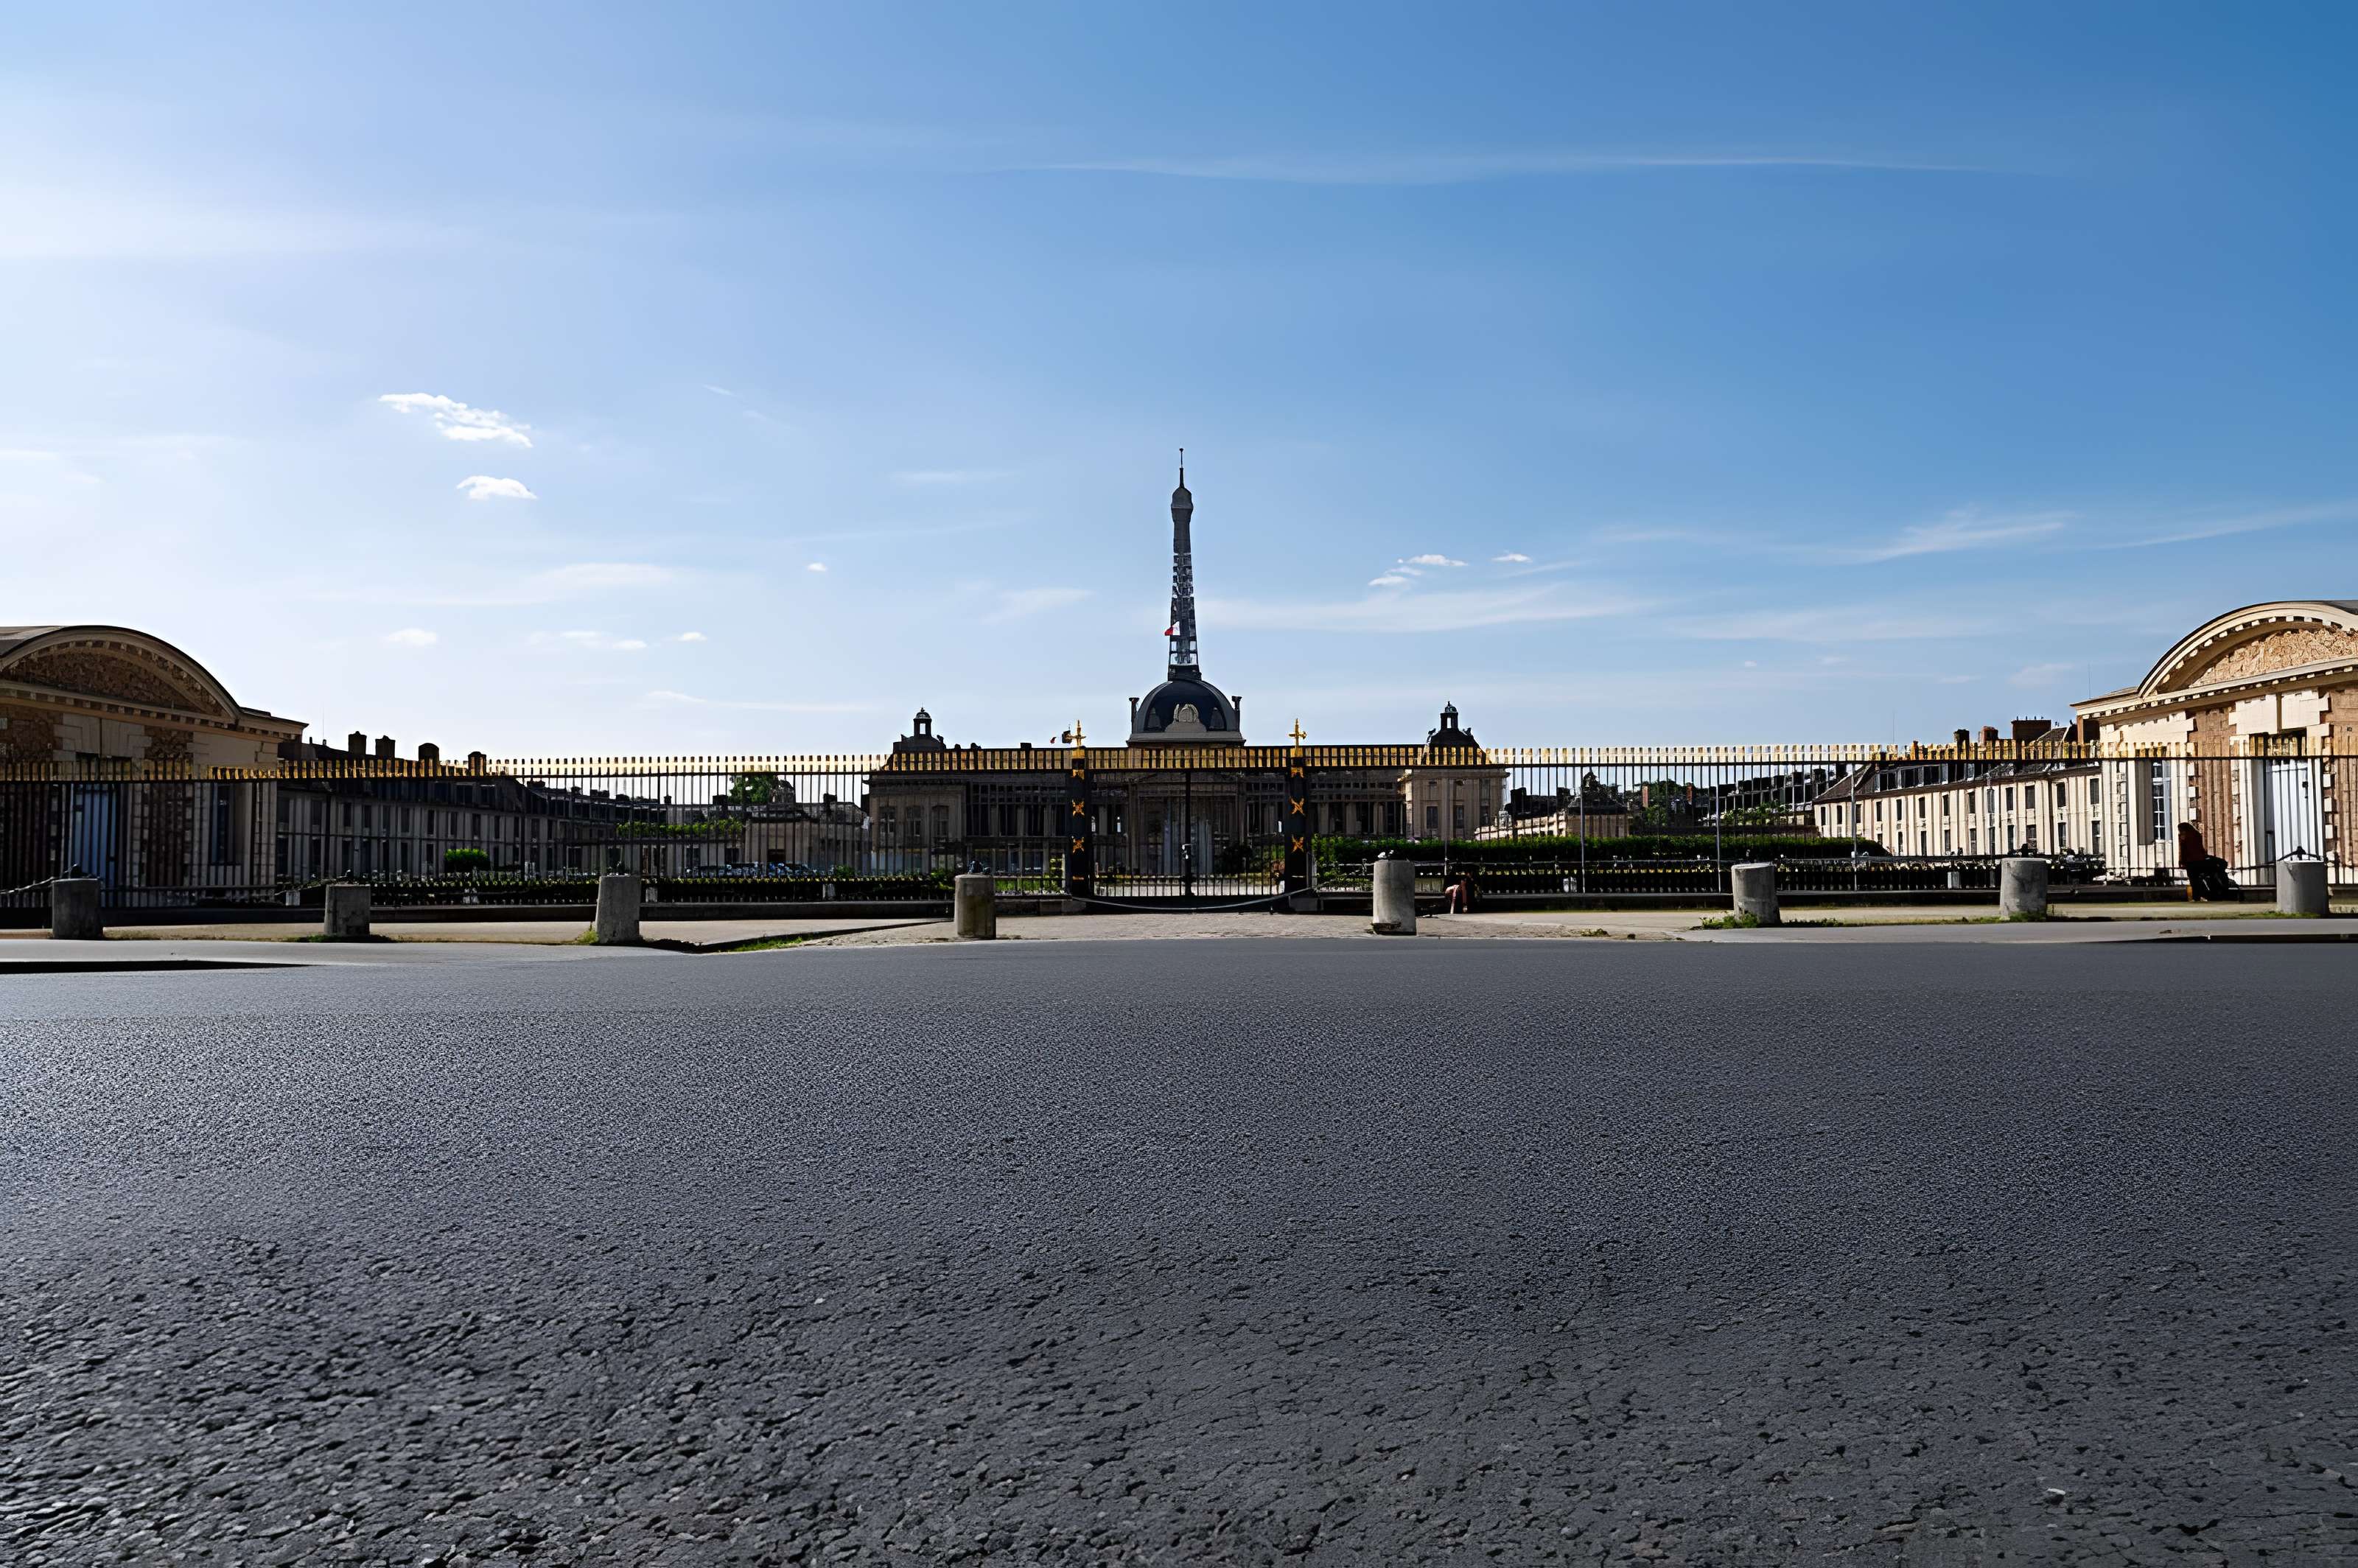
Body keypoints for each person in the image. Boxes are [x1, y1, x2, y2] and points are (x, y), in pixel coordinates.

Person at [2177, 822, 2233, 900]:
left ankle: (2197, 896)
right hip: (2200, 860)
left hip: (2191, 862)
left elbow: (2183, 850)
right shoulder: (2196, 834)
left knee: (2194, 880)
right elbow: (2200, 849)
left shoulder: (2184, 836)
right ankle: (2208, 893)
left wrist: (2182, 862)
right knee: (2201, 877)